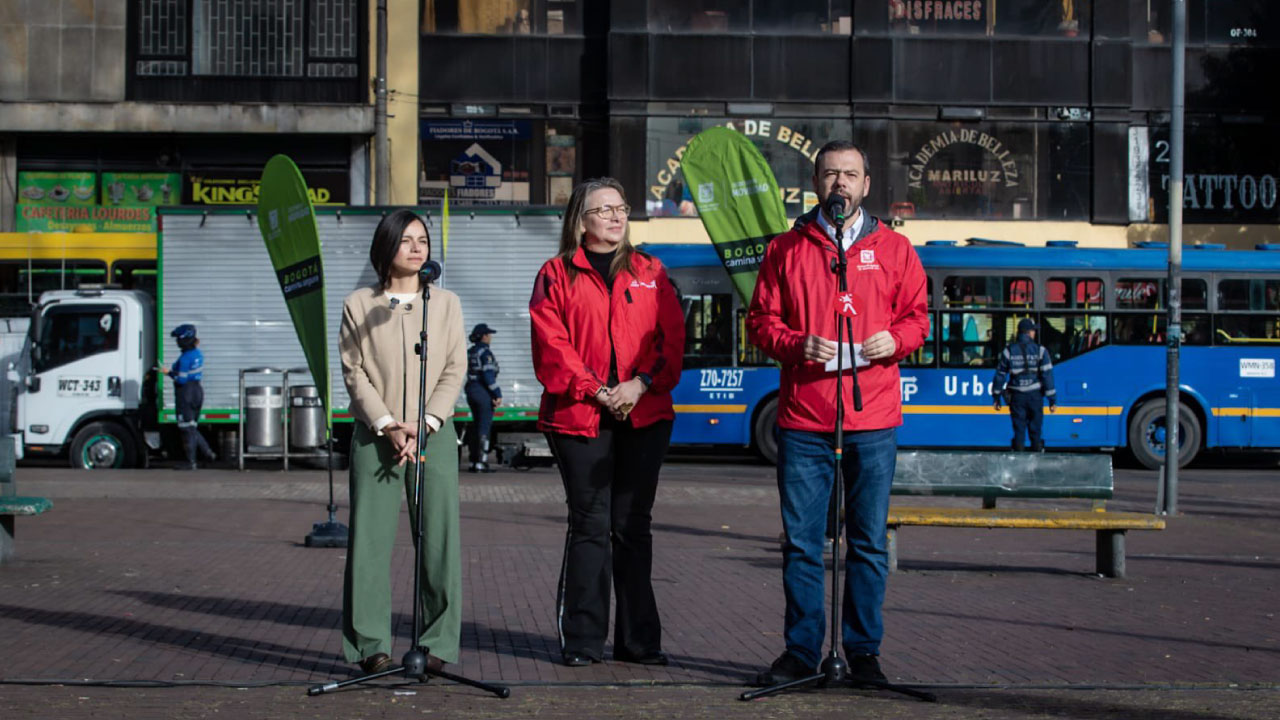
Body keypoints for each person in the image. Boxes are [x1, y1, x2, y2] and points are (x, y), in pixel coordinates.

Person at [746, 141, 929, 688]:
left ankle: (864, 652)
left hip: (872, 417)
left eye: (850, 175)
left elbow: (919, 319)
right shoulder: (785, 248)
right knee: (803, 543)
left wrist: (892, 341)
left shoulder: (895, 248)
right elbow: (759, 320)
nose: (840, 185)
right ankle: (802, 652)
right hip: (804, 418)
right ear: (815, 182)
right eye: (830, 175)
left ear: (867, 184)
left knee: (868, 542)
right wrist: (793, 343)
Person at [529, 177, 685, 668]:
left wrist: (638, 385)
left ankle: (640, 642)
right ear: (581, 219)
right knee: (590, 526)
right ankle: (582, 641)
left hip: (645, 414)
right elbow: (552, 346)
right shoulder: (556, 274)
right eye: (604, 209)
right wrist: (597, 390)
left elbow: (671, 340)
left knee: (632, 526)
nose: (616, 217)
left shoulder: (651, 271)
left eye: (621, 207)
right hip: (580, 418)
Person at [338, 208, 467, 676]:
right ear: (385, 248)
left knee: (439, 541)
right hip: (377, 435)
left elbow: (455, 367)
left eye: (422, 240)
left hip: (434, 433)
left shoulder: (446, 304)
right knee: (369, 543)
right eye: (406, 240)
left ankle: (436, 644)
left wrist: (427, 421)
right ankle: (370, 645)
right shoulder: (359, 304)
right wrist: (389, 424)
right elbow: (355, 372)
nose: (417, 248)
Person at [992, 318, 1057, 451]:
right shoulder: (1041, 351)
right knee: (1036, 430)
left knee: (1019, 430)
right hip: (1035, 396)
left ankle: (1018, 457)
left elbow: (1000, 375)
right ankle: (1037, 459)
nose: (1034, 333)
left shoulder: (1008, 351)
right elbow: (1047, 376)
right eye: (1033, 330)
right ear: (1028, 332)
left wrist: (996, 396)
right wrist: (1052, 400)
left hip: (1017, 397)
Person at [167, 323, 216, 470]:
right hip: (197, 391)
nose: (176, 342)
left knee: (186, 428)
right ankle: (207, 453)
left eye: (177, 339)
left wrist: (167, 372)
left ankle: (192, 461)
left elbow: (181, 379)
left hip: (185, 393)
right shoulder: (198, 354)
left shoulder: (184, 359)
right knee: (192, 426)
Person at [465, 323, 503, 473]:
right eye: (488, 335)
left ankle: (474, 461)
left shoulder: (471, 352)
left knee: (475, 426)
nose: (490, 337)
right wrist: (497, 394)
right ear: (483, 336)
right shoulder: (485, 353)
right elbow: (488, 375)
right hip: (482, 391)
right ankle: (482, 462)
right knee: (484, 427)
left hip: (471, 390)